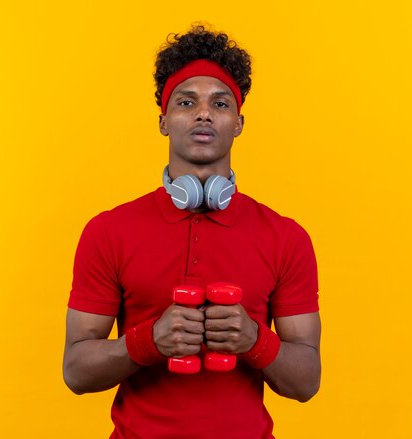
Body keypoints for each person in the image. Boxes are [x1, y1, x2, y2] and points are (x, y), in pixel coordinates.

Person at [63, 25, 321, 439]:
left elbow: (306, 382)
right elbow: (75, 371)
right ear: (164, 121)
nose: (203, 113)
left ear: (238, 123)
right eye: (187, 102)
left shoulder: (285, 237)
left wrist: (256, 340)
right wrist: (147, 342)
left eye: (220, 103)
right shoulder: (108, 231)